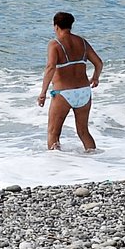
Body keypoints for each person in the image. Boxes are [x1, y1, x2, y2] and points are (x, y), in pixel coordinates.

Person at [37, 12, 103, 151]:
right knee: (83, 132)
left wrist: (42, 92)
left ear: (56, 26)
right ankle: (94, 161)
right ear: (70, 25)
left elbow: (50, 68)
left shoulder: (55, 44)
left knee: (53, 133)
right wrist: (95, 77)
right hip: (84, 92)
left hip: (63, 94)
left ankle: (55, 167)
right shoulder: (82, 42)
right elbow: (99, 63)